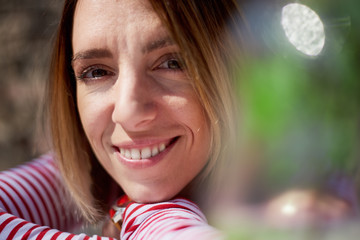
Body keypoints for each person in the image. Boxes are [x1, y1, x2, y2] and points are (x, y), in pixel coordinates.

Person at [0, 0, 245, 239]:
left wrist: (149, 218)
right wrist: (146, 217)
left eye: (173, 63)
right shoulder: (84, 172)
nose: (128, 113)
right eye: (97, 72)